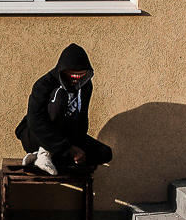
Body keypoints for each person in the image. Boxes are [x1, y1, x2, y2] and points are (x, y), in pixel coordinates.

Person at [15, 43, 114, 178]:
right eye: (73, 75)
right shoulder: (44, 84)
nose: (76, 79)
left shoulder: (86, 86)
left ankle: (43, 157)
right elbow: (35, 121)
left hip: (65, 136)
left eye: (80, 75)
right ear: (62, 70)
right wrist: (69, 149)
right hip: (35, 135)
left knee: (105, 153)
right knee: (60, 96)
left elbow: (81, 118)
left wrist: (79, 150)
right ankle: (44, 153)